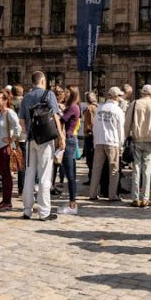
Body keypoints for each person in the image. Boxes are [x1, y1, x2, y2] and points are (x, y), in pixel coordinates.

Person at [19, 72, 63, 222]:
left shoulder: (26, 97)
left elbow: (22, 121)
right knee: (44, 175)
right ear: (43, 81)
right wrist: (61, 137)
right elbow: (56, 116)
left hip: (31, 139)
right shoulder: (49, 94)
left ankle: (27, 209)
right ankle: (44, 212)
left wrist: (29, 132)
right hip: (46, 140)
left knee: (30, 174)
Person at [126, 84, 151, 207]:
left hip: (137, 139)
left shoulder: (135, 104)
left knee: (136, 169)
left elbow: (127, 123)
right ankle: (145, 198)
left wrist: (126, 137)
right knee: (147, 171)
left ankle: (135, 198)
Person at [88, 87, 126, 204]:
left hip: (99, 141)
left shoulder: (100, 108)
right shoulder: (117, 110)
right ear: (115, 97)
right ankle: (112, 194)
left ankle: (92, 193)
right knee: (114, 170)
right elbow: (121, 129)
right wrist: (121, 144)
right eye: (120, 95)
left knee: (96, 169)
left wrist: (95, 141)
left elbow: (95, 127)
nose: (121, 97)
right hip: (112, 142)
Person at [0, 90, 21, 211]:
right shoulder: (1, 113)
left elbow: (18, 128)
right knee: (3, 175)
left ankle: (8, 202)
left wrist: (11, 138)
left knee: (7, 176)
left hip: (5, 148)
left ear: (5, 100)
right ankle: (4, 199)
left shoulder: (9, 113)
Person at [59, 86, 82, 214]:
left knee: (70, 174)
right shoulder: (72, 106)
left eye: (67, 92)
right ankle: (72, 202)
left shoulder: (73, 107)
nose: (65, 94)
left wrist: (58, 113)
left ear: (72, 93)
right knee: (70, 172)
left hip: (69, 140)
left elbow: (62, 120)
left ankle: (73, 204)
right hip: (70, 140)